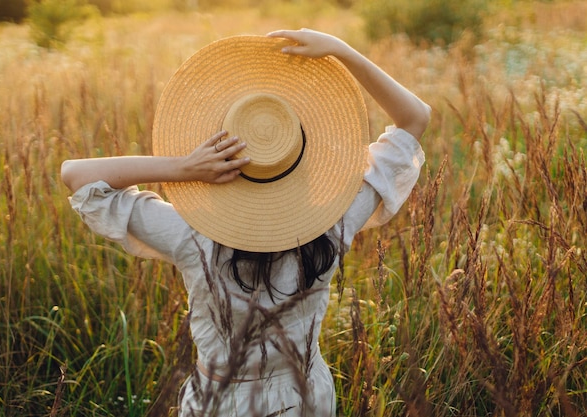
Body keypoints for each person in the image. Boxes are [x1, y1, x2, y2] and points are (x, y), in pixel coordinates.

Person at [62, 29, 430, 417]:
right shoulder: (336, 224)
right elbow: (415, 117)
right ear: (306, 158)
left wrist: (185, 168)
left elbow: (77, 176)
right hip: (308, 399)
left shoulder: (192, 237)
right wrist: (341, 51)